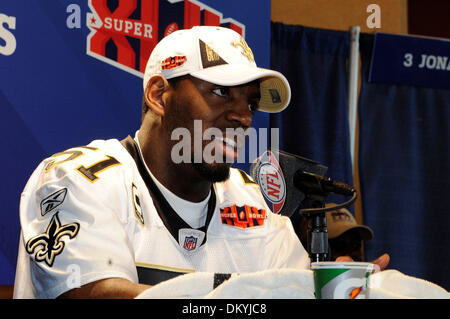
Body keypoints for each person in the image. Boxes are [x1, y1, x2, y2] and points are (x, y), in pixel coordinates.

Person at [13, 26, 388, 299]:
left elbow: (293, 293)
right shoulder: (75, 179)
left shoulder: (254, 204)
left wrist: (339, 292)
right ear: (159, 95)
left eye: (251, 104)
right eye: (221, 92)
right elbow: (96, 296)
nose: (243, 118)